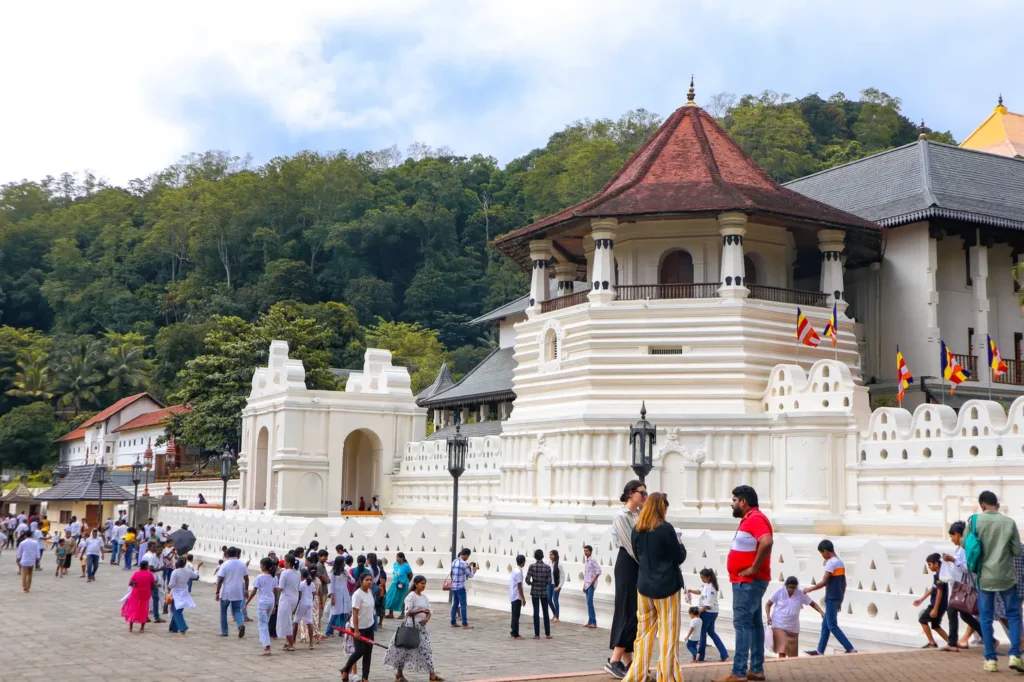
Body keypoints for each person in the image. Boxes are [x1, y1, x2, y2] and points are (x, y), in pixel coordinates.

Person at [712, 485, 773, 682]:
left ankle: (738, 672)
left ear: (743, 502)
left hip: (747, 581)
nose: (732, 504)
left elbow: (766, 542)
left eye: (734, 501)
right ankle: (755, 669)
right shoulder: (751, 519)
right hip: (749, 581)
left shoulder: (756, 518)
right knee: (754, 624)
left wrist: (753, 568)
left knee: (742, 624)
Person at [623, 491, 685, 682]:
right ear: (661, 508)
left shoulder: (637, 529)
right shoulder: (666, 529)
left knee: (643, 634)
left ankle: (637, 675)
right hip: (667, 587)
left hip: (644, 586)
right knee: (668, 634)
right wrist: (680, 544)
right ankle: (667, 676)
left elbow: (636, 555)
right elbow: (679, 556)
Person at [967, 490, 1024, 673]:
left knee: (986, 617)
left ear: (982, 505)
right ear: (996, 504)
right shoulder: (1008, 523)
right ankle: (1015, 654)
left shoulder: (974, 521)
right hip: (1007, 575)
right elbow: (1017, 550)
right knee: (1014, 615)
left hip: (984, 576)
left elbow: (965, 545)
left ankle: (990, 659)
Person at [605, 480, 645, 679]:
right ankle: (614, 660)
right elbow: (631, 544)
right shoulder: (621, 516)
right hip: (628, 562)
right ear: (631, 493)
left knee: (633, 610)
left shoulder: (639, 515)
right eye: (641, 493)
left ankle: (629, 662)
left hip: (637, 564)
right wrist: (647, 563)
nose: (644, 497)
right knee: (626, 609)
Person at [384, 575, 444, 682]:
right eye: (422, 583)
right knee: (404, 650)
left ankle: (432, 674)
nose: (423, 586)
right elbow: (408, 612)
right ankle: (399, 674)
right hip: (410, 627)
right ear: (416, 584)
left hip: (422, 628)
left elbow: (429, 611)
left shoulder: (424, 597)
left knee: (427, 650)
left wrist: (426, 619)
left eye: (425, 584)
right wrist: (421, 611)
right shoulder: (411, 596)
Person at [803, 539, 857, 655]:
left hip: (831, 597)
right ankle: (820, 650)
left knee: (832, 625)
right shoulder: (840, 563)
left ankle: (850, 648)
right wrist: (841, 599)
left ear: (826, 551)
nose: (822, 556)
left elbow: (824, 582)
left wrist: (809, 589)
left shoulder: (831, 563)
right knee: (825, 625)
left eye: (822, 553)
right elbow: (844, 583)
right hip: (837, 597)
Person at [943, 520, 982, 650]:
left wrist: (953, 560)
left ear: (959, 535)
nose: (951, 539)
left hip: (965, 587)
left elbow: (968, 568)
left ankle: (952, 643)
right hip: (958, 587)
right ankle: (990, 639)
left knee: (952, 610)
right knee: (965, 615)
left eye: (952, 536)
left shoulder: (966, 550)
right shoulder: (958, 549)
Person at [766, 576, 824, 658]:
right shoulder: (780, 592)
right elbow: (768, 604)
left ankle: (789, 668)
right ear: (786, 586)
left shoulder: (800, 594)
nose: (791, 590)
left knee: (792, 655)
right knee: (782, 649)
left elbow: (812, 603)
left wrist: (821, 612)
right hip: (779, 624)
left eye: (794, 588)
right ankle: (782, 667)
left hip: (793, 627)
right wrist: (768, 617)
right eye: (789, 588)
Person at [686, 568, 729, 662]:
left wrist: (699, 613)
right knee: (711, 632)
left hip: (707, 612)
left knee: (702, 634)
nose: (702, 579)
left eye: (703, 578)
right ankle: (723, 653)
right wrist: (691, 591)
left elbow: (707, 604)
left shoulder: (711, 588)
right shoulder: (706, 585)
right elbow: (700, 591)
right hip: (712, 612)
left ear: (709, 577)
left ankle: (700, 656)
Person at [343, 571, 377, 682]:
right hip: (358, 627)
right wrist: (356, 631)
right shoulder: (357, 595)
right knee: (359, 651)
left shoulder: (370, 592)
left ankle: (365, 677)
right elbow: (355, 614)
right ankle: (346, 669)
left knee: (368, 652)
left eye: (370, 580)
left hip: (369, 626)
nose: (369, 582)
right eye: (367, 580)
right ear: (361, 581)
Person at [913, 553, 950, 648]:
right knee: (936, 625)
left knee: (922, 620)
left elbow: (939, 592)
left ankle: (932, 643)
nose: (929, 567)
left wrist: (935, 608)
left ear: (936, 564)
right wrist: (921, 599)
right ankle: (951, 642)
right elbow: (933, 589)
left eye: (929, 564)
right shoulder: (939, 575)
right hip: (941, 605)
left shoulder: (939, 576)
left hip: (937, 605)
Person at [246, 557, 279, 655]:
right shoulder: (274, 577)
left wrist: (247, 602)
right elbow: (276, 592)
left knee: (263, 625)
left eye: (260, 564)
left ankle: (267, 647)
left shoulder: (260, 577)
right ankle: (265, 642)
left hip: (263, 603)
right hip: (271, 602)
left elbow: (253, 592)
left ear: (264, 566)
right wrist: (275, 605)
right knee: (265, 623)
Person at [216, 546, 248, 638]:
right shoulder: (242, 564)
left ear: (227, 554)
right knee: (237, 610)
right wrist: (246, 590)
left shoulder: (225, 565)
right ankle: (240, 624)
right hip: (238, 591)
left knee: (223, 611)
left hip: (226, 591)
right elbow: (246, 578)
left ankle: (224, 631)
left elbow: (220, 579)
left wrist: (217, 592)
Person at [168, 556, 201, 635]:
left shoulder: (175, 572)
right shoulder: (188, 571)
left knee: (175, 611)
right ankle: (173, 627)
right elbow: (196, 576)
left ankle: (182, 627)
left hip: (175, 592)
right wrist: (198, 568)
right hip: (184, 592)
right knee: (179, 609)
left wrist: (168, 589)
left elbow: (171, 584)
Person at [122, 559, 156, 632]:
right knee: (144, 610)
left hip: (136, 594)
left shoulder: (136, 573)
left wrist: (136, 584)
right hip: (145, 595)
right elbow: (153, 584)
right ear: (146, 566)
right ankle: (142, 628)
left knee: (133, 609)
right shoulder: (150, 574)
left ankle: (131, 628)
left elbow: (131, 583)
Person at [526, 548, 553, 639]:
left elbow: (527, 579)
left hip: (535, 591)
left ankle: (537, 634)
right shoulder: (547, 567)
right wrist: (544, 582)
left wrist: (532, 583)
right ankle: (547, 634)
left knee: (536, 612)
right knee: (546, 612)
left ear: (535, 557)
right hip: (544, 592)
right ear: (542, 556)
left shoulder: (532, 566)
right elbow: (549, 581)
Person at [276, 553, 300, 651]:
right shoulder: (298, 573)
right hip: (294, 597)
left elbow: (281, 587)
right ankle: (287, 641)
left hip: (286, 598)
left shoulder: (285, 573)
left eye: (285, 561)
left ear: (288, 563)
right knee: (287, 619)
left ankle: (291, 643)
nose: (284, 563)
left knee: (286, 621)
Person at [327, 552, 354, 636]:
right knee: (335, 614)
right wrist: (332, 597)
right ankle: (329, 631)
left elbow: (353, 581)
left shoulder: (345, 571)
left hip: (344, 594)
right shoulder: (333, 573)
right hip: (336, 594)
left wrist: (348, 576)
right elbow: (331, 586)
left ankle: (341, 631)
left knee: (344, 614)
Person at [449, 548, 477, 628]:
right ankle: (465, 623)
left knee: (455, 604)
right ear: (466, 555)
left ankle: (453, 621)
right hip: (461, 587)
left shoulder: (454, 562)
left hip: (454, 586)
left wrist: (467, 566)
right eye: (468, 556)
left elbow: (458, 570)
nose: (467, 558)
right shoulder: (463, 564)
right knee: (463, 605)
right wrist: (474, 570)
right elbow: (470, 575)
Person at [386, 552, 414, 618]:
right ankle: (391, 613)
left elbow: (411, 575)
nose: (396, 559)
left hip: (403, 585)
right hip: (394, 583)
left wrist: (407, 581)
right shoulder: (395, 564)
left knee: (402, 598)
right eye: (396, 557)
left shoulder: (406, 566)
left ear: (402, 558)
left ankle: (402, 613)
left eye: (398, 557)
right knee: (391, 597)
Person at [582, 544, 601, 628]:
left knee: (590, 602)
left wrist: (593, 581)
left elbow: (599, 571)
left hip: (591, 584)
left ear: (590, 551)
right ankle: (590, 621)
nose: (585, 552)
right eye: (584, 551)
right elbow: (586, 574)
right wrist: (584, 585)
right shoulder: (587, 561)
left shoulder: (593, 560)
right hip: (587, 584)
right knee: (588, 603)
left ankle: (594, 622)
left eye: (587, 551)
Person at [510, 553, 526, 639]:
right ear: (523, 562)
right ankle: (515, 633)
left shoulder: (514, 570)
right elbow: (519, 586)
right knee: (516, 615)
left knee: (514, 615)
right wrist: (523, 598)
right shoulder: (519, 572)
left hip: (513, 595)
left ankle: (513, 631)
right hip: (517, 596)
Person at [548, 549, 564, 623]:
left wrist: (559, 586)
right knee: (548, 600)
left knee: (555, 600)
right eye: (550, 554)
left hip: (556, 584)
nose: (550, 556)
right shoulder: (549, 563)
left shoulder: (559, 565)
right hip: (549, 584)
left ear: (555, 555)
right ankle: (554, 613)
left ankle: (557, 616)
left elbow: (563, 576)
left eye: (552, 555)